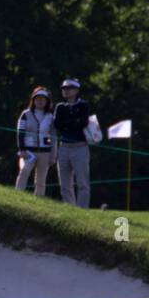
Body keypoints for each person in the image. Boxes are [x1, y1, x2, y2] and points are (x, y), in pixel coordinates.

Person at [53, 78, 93, 207]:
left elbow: (83, 123)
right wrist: (72, 122)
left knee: (82, 183)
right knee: (65, 183)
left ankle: (82, 210)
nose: (65, 91)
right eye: (64, 89)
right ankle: (70, 208)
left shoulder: (83, 105)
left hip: (80, 148)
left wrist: (68, 123)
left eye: (68, 88)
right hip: (64, 147)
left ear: (76, 90)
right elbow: (57, 124)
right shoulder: (60, 107)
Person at [15, 86, 55, 196]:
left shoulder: (50, 117)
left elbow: (52, 136)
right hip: (28, 152)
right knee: (24, 172)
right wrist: (22, 149)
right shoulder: (26, 114)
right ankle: (17, 196)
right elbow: (20, 133)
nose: (40, 101)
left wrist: (52, 154)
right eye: (38, 98)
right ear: (33, 100)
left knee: (41, 181)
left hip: (44, 152)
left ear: (47, 101)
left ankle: (38, 200)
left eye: (43, 99)